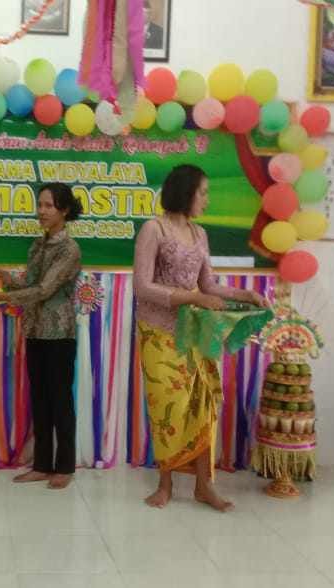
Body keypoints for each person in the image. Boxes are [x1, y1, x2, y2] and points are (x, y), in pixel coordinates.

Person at [133, 165, 267, 510]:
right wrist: (191, 297)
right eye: (203, 193)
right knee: (168, 407)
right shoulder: (154, 229)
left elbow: (208, 285)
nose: (207, 200)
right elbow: (142, 287)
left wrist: (246, 295)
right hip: (158, 332)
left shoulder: (200, 234)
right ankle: (165, 484)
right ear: (185, 192)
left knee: (202, 406)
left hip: (194, 331)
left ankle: (204, 485)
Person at [0, 183, 83, 489]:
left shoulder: (69, 249)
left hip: (59, 333)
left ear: (64, 210)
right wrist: (0, 274)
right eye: (40, 205)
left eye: (49, 206)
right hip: (35, 330)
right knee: (40, 399)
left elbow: (45, 290)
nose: (42, 211)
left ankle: (64, 467)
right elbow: (29, 283)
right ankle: (42, 465)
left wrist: (0, 298)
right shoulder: (38, 245)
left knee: (60, 400)